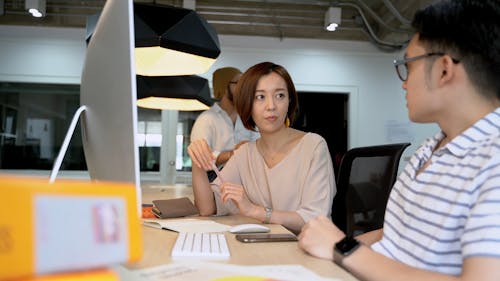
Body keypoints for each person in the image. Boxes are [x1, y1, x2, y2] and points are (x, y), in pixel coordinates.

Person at [298, 0, 500, 280]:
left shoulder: (494, 162)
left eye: (409, 65)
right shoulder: (430, 149)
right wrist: (328, 242)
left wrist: (341, 247)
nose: (404, 82)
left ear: (444, 70)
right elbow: (398, 233)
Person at [191, 62, 336, 234]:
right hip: (260, 249)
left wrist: (254, 211)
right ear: (247, 104)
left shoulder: (314, 146)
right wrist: (198, 161)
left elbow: (316, 219)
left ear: (290, 101)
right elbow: (208, 208)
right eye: (260, 97)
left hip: (305, 252)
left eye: (280, 95)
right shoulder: (245, 153)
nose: (271, 106)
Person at [189, 67, 259, 175]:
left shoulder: (250, 118)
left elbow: (259, 151)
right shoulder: (206, 119)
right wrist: (233, 153)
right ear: (224, 87)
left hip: (246, 185)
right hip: (215, 187)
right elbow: (202, 159)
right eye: (239, 83)